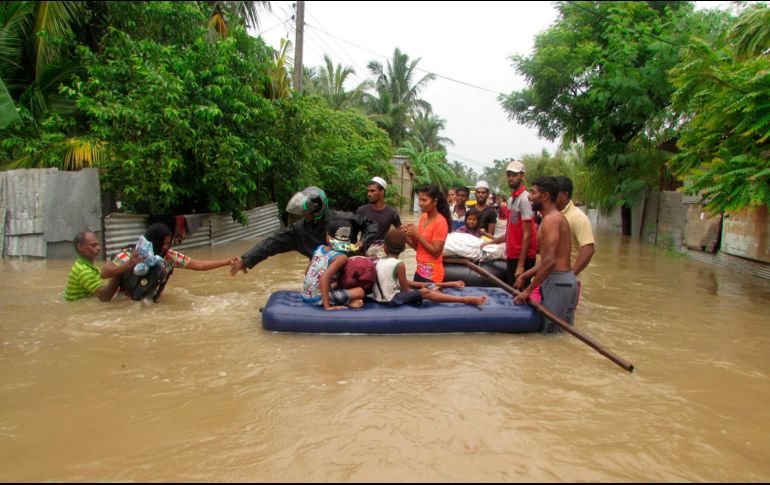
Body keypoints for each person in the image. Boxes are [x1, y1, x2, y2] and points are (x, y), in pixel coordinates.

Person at [231, 186, 379, 275]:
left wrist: (363, 242)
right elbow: (273, 242)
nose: (303, 214)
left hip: (351, 272)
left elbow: (371, 224)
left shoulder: (344, 220)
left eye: (305, 211)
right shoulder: (300, 230)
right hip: (322, 277)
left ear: (317, 209)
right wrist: (246, 259)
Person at [105, 223, 236, 302]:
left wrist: (226, 261)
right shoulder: (131, 254)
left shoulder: (169, 257)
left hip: (148, 299)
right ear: (154, 242)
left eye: (169, 243)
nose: (166, 247)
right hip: (124, 298)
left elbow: (199, 265)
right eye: (164, 243)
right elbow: (105, 273)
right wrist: (128, 265)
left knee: (162, 267)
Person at [513, 176, 577, 333]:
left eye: (533, 193)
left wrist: (528, 290)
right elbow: (547, 261)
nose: (529, 196)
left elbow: (549, 261)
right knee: (560, 335)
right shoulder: (551, 218)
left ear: (545, 196)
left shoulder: (552, 220)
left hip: (559, 283)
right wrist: (525, 275)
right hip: (562, 282)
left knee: (551, 334)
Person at [372, 229, 488, 306]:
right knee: (426, 292)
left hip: (380, 298)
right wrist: (423, 293)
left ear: (385, 248)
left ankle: (449, 284)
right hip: (391, 301)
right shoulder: (399, 265)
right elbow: (406, 290)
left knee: (425, 286)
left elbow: (406, 283)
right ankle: (466, 300)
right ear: (403, 249)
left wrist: (443, 285)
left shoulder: (380, 261)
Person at [482, 161, 538, 286]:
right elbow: (510, 232)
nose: (511, 178)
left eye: (514, 175)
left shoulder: (525, 199)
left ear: (522, 176)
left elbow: (527, 235)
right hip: (512, 254)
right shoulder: (511, 199)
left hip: (522, 256)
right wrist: (490, 243)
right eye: (509, 175)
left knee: (519, 293)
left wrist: (520, 265)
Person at [302, 219, 366, 310]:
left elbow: (307, 273)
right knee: (360, 291)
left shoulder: (320, 248)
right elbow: (323, 278)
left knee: (337, 283)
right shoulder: (341, 257)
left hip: (307, 294)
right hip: (317, 299)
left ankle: (340, 299)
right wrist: (327, 307)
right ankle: (345, 303)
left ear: (328, 237)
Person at [403, 184, 451, 283]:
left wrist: (417, 235)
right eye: (419, 200)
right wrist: (406, 235)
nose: (420, 203)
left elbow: (436, 252)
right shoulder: (423, 217)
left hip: (433, 275)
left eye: (424, 200)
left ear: (435, 201)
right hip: (419, 271)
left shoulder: (441, 222)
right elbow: (419, 248)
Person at [64, 231, 122, 302]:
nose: (98, 248)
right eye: (93, 245)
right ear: (80, 247)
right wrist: (118, 274)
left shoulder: (85, 265)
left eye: (98, 244)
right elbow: (103, 297)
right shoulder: (83, 270)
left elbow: (101, 277)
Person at [555, 176, 595, 277]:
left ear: (564, 195)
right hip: (551, 278)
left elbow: (588, 249)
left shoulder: (578, 218)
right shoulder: (552, 215)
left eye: (554, 192)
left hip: (566, 280)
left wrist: (571, 275)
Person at [356, 176, 402, 253]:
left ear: (382, 192)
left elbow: (401, 232)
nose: (369, 194)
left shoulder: (392, 213)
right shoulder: (361, 210)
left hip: (381, 254)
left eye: (372, 191)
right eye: (368, 191)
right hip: (363, 252)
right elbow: (353, 232)